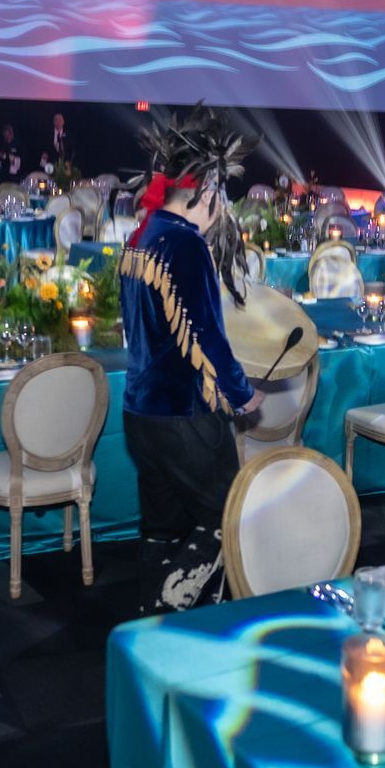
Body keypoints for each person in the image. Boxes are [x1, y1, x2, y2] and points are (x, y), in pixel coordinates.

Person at [119, 106, 262, 613]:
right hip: (184, 417)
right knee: (227, 517)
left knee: (162, 528)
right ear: (203, 192)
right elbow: (204, 335)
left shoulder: (140, 238)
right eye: (219, 195)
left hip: (140, 413)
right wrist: (242, 394)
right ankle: (162, 609)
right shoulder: (184, 245)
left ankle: (147, 632)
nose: (222, 206)